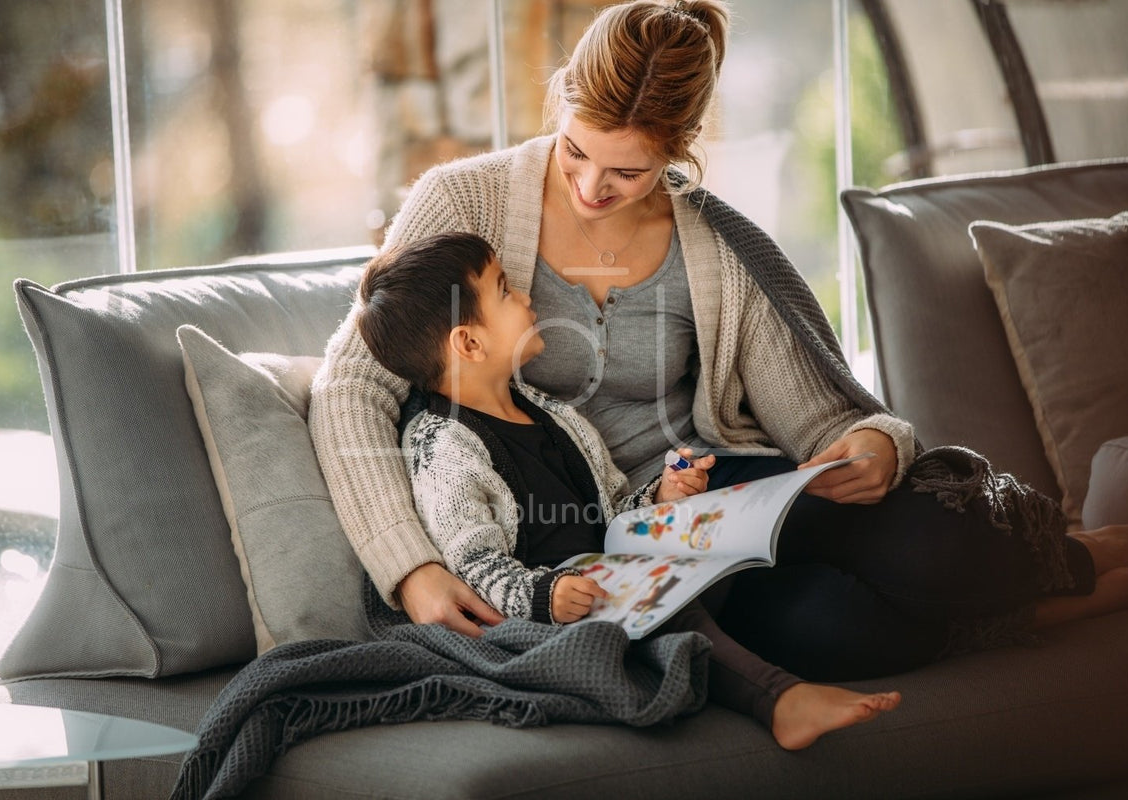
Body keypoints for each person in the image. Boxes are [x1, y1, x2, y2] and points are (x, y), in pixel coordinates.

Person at [310, 0, 1128, 685]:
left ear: (681, 152)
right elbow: (353, 385)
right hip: (630, 550)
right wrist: (411, 566)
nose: (590, 186)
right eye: (575, 152)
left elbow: (821, 418)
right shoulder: (464, 203)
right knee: (834, 632)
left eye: (628, 171)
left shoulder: (716, 246)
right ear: (561, 98)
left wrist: (863, 446)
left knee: (942, 542)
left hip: (728, 499)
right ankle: (1050, 600)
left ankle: (1086, 555)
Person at [354, 229, 901, 750]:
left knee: (728, 543)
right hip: (553, 610)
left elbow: (614, 507)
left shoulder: (551, 413)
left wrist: (661, 499)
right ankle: (779, 700)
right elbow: (473, 564)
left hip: (619, 572)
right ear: (469, 342)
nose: (523, 295)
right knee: (671, 613)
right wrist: (547, 596)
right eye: (503, 290)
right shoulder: (441, 443)